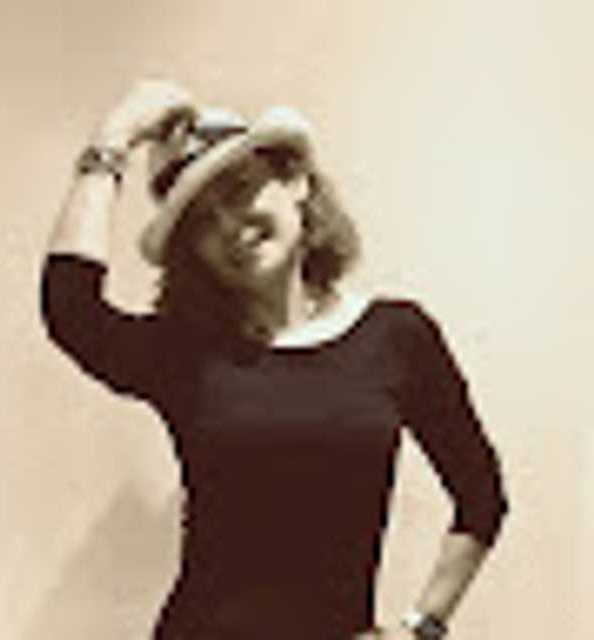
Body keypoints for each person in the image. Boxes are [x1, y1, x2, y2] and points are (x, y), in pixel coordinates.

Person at [40, 79, 509, 640]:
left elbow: (481, 496)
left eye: (239, 190)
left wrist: (424, 626)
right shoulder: (185, 355)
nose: (229, 227)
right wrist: (111, 140)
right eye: (202, 221)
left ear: (295, 181)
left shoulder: (397, 337)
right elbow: (70, 310)